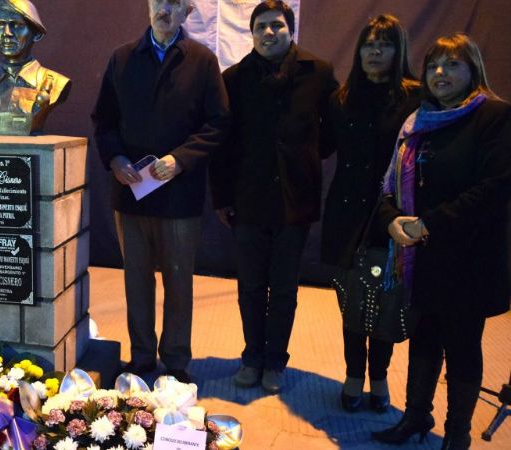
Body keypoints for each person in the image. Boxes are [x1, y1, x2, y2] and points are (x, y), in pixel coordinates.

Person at [372, 34, 511, 449]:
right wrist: (392, 220)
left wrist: (425, 225)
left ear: (473, 70)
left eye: (452, 65)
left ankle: (456, 435)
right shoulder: (419, 121)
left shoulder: (495, 116)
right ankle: (416, 418)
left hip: (470, 258)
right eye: (433, 65)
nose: (439, 74)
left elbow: (494, 188)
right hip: (422, 257)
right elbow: (391, 184)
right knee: (424, 339)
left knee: (463, 345)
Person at [92, 0, 229, 383]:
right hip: (131, 194)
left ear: (187, 12)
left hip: (179, 196)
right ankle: (141, 357)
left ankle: (177, 361)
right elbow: (103, 121)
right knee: (135, 280)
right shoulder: (121, 59)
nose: (163, 10)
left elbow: (218, 124)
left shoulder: (202, 61)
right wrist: (115, 159)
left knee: (178, 280)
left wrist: (182, 159)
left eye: (173, 3)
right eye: (157, 2)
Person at [209, 0, 338, 393]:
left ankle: (275, 362)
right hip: (247, 201)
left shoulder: (318, 72)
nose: (269, 32)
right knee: (250, 285)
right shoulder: (234, 78)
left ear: (290, 29)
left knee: (283, 288)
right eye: (261, 26)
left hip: (295, 200)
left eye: (277, 25)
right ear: (251, 33)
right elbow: (223, 144)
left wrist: (303, 158)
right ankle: (252, 357)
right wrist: (221, 198)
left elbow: (331, 133)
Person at [320, 14, 420, 412]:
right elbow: (320, 145)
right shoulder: (340, 99)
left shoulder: (415, 98)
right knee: (352, 300)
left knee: (385, 299)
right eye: (368, 44)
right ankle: (352, 374)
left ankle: (378, 377)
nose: (375, 51)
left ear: (399, 51)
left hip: (390, 214)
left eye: (385, 44)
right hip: (345, 213)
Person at [0, 0, 71, 135]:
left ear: (36, 34)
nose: (7, 33)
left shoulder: (56, 83)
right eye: (0, 25)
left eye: (17, 25)